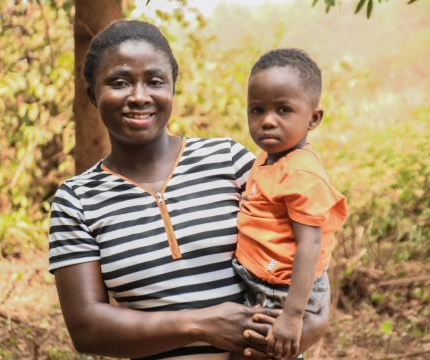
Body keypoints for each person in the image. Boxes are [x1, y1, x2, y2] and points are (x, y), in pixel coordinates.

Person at [49, 21, 330, 360]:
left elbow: (309, 265)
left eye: (155, 81)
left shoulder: (230, 162)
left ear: (172, 89)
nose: (139, 96)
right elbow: (87, 330)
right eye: (119, 82)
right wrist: (200, 325)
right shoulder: (77, 200)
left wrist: (297, 330)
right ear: (93, 93)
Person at [233, 48, 348, 359]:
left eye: (283, 110)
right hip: (263, 279)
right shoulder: (272, 156)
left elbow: (309, 245)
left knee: (267, 351)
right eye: (257, 110)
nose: (267, 122)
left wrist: (293, 315)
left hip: (283, 292)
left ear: (313, 118)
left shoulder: (301, 172)